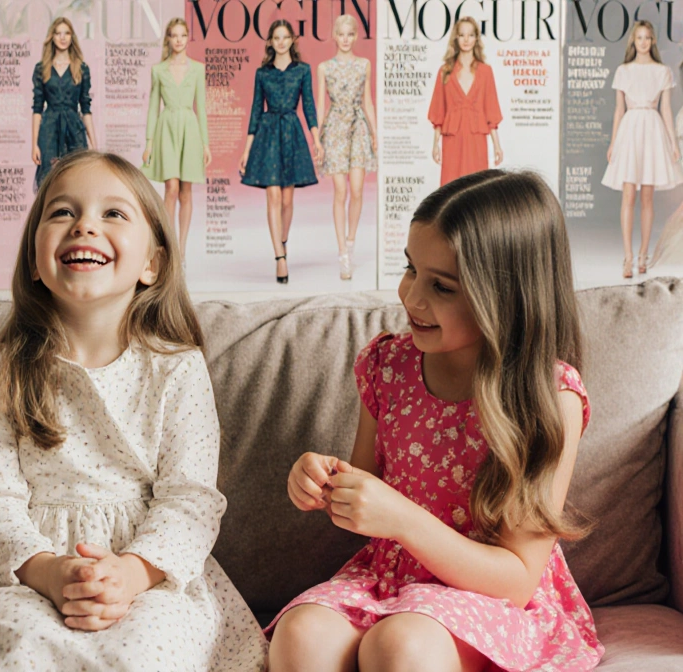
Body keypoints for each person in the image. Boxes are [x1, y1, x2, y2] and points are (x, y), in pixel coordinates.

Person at [0, 151, 267, 671]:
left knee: (151, 650)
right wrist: (47, 571)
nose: (85, 224)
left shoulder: (177, 369)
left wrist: (132, 573)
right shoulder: (3, 368)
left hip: (148, 574)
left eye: (114, 213)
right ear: (33, 261)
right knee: (18, 649)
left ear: (151, 264)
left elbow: (191, 500)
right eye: (62, 212)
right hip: (23, 572)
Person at [268, 170, 604, 672]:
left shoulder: (549, 397)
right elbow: (365, 487)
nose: (412, 298)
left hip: (491, 598)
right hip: (390, 582)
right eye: (411, 270)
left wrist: (401, 517)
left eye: (442, 287)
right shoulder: (387, 365)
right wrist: (322, 481)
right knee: (301, 635)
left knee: (400, 644)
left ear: (505, 297)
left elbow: (516, 577)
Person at [240, 20, 322, 284]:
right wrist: (246, 150)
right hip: (267, 135)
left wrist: (316, 140)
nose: (282, 42)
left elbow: (309, 106)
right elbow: (255, 109)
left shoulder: (303, 70)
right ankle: (280, 258)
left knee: (287, 200)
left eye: (286, 37)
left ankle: (282, 241)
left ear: (292, 40)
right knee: (273, 197)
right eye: (277, 37)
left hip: (292, 134)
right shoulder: (262, 73)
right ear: (271, 42)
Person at [601, 20, 682, 278]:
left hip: (652, 129)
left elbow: (666, 110)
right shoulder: (623, 71)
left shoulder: (662, 71)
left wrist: (672, 142)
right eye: (640, 38)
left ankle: (643, 255)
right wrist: (613, 142)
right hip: (630, 130)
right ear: (633, 42)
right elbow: (618, 110)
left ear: (653, 41)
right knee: (628, 196)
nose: (644, 42)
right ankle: (627, 258)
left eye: (648, 37)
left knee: (647, 197)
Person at [142, 17, 209, 262]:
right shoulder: (158, 70)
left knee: (186, 191)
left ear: (187, 38)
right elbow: (152, 107)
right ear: (168, 39)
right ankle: (169, 244)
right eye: (174, 35)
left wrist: (205, 144)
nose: (179, 40)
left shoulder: (198, 68)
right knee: (171, 188)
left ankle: (182, 248)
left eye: (183, 35)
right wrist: (149, 142)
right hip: (166, 127)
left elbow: (200, 106)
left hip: (190, 129)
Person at [315, 15, 376, 281]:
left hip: (358, 128)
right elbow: (320, 104)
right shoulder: (324, 68)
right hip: (335, 129)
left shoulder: (364, 65)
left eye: (350, 34)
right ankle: (343, 253)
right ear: (334, 36)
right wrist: (317, 139)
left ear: (355, 36)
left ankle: (351, 241)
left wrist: (375, 132)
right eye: (341, 34)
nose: (346, 38)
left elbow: (368, 101)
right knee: (340, 190)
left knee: (358, 189)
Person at [428, 18, 502, 187]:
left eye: (470, 35)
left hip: (476, 138)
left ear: (476, 38)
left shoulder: (485, 72)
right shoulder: (445, 71)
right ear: (456, 38)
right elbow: (438, 110)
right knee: (451, 188)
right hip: (452, 138)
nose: (466, 40)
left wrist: (497, 146)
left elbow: (491, 110)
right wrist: (435, 145)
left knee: (477, 189)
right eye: (462, 35)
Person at [32, 17, 95, 189]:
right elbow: (37, 108)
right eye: (58, 33)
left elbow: (86, 107)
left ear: (72, 37)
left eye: (66, 33)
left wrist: (94, 144)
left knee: (77, 178)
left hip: (74, 129)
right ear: (51, 37)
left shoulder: (81, 68)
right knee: (49, 181)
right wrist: (34, 145)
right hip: (49, 131)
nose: (62, 37)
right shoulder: (41, 68)